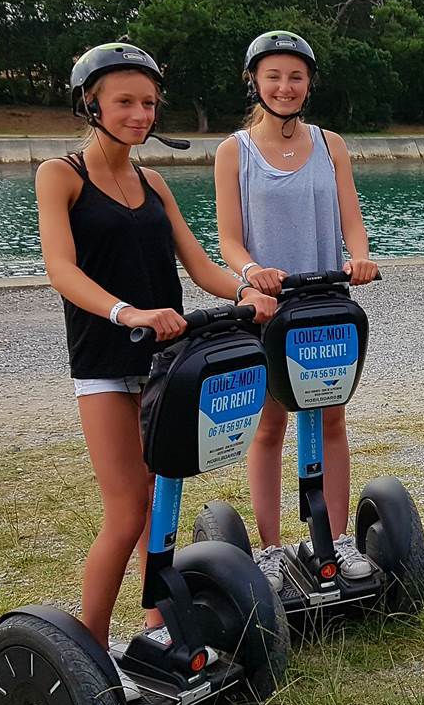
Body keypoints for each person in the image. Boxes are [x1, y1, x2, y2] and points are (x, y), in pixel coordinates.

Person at [36, 42, 277, 648]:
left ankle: (157, 627)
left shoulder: (154, 182)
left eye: (148, 103)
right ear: (90, 103)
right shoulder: (61, 175)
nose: (140, 114)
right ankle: (87, 651)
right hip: (104, 361)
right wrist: (128, 312)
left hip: (166, 361)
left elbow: (200, 268)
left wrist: (250, 288)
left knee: (161, 502)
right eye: (125, 102)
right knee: (127, 510)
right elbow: (61, 270)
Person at [214, 30, 381, 589]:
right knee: (270, 423)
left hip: (328, 300)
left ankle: (334, 538)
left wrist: (358, 257)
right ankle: (268, 548)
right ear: (254, 80)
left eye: (296, 76)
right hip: (267, 307)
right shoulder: (233, 151)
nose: (285, 87)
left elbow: (351, 220)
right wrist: (249, 273)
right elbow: (230, 240)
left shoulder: (330, 144)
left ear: (309, 83)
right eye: (274, 76)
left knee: (331, 418)